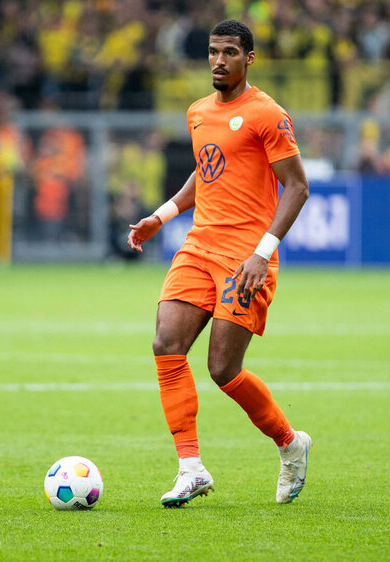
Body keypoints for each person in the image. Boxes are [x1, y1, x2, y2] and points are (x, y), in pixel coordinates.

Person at [127, 20, 312, 507]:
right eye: (213, 51)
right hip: (198, 246)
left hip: (246, 258)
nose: (218, 60)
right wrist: (161, 216)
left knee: (223, 369)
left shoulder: (266, 113)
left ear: (249, 59)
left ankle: (290, 444)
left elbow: (297, 186)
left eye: (230, 52)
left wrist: (263, 253)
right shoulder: (197, 112)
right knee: (166, 343)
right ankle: (191, 468)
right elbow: (206, 170)